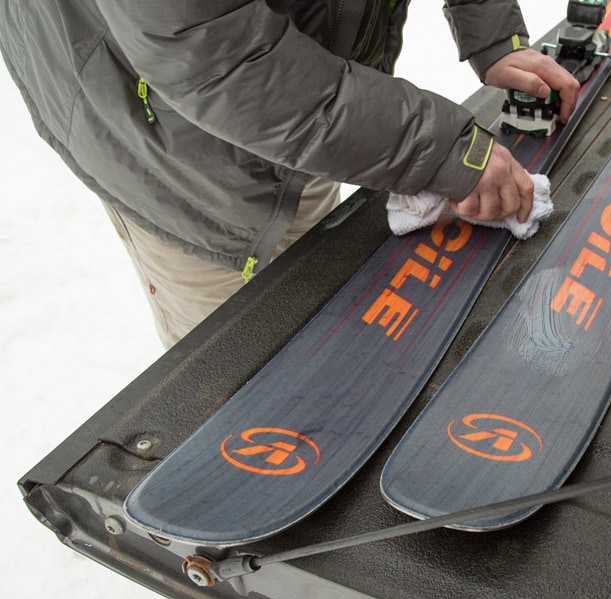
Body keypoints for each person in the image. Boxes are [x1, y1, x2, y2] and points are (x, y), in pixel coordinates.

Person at [0, 0, 580, 348]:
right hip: (172, 147)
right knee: (237, 370)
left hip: (295, 85)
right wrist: (434, 151)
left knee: (309, 302)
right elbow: (215, 60)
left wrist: (490, 31)